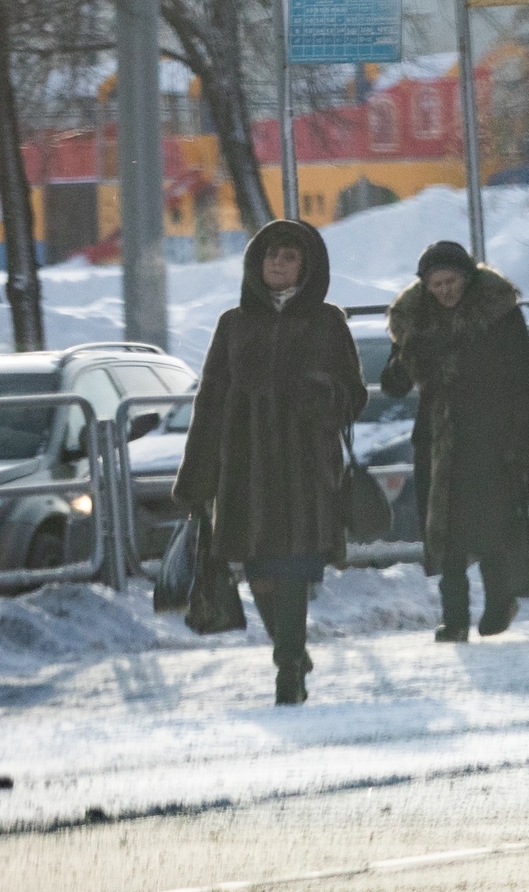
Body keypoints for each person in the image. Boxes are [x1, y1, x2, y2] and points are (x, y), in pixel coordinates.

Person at [173, 220, 366, 706]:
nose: (277, 264)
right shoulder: (233, 324)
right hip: (244, 469)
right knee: (258, 573)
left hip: (304, 470)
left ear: (308, 266)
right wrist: (197, 477)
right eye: (270, 256)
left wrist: (323, 394)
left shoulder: (328, 322)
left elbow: (354, 395)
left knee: (292, 571)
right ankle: (292, 652)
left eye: (289, 256)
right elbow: (210, 400)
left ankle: (287, 670)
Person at [381, 241, 529, 642]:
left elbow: (525, 377)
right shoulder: (413, 318)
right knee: (444, 532)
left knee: (491, 525)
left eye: (451, 281)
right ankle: (453, 617)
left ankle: (499, 601)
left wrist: (522, 439)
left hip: (490, 434)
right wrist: (406, 352)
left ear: (467, 278)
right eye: (436, 284)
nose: (445, 291)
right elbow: (393, 384)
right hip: (435, 438)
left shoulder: (499, 312)